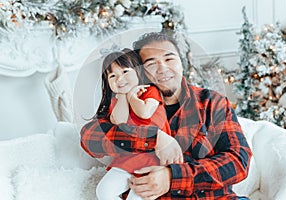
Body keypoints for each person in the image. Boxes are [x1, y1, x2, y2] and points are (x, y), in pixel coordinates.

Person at [81, 32, 252, 199]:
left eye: (169, 59)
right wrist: (154, 138)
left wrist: (172, 177)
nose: (163, 69)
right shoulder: (127, 103)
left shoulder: (211, 102)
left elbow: (238, 160)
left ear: (181, 63)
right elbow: (90, 137)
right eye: (151, 64)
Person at [92, 48, 183, 200]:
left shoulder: (149, 91)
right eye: (113, 76)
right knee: (104, 191)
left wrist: (133, 97)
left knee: (138, 196)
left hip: (154, 157)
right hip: (129, 157)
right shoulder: (117, 100)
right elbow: (119, 122)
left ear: (138, 72)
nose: (119, 79)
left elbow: (145, 112)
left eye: (125, 72)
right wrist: (122, 96)